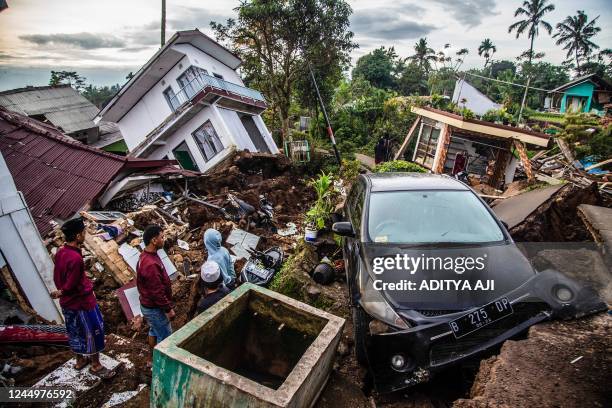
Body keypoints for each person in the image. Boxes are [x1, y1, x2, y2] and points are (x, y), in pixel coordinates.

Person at [51, 218, 114, 379]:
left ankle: (80, 361)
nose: (85, 235)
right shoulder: (76, 258)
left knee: (74, 332)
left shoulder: (61, 253)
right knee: (93, 331)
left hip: (68, 304)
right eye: (84, 233)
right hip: (82, 303)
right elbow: (72, 284)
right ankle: (95, 365)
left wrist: (61, 291)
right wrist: (67, 290)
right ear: (78, 236)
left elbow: (58, 277)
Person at [137, 225, 174, 354]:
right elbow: (156, 292)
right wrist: (168, 309)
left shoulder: (146, 256)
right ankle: (160, 365)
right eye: (162, 237)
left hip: (148, 306)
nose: (164, 239)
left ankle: (151, 357)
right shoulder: (150, 264)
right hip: (154, 308)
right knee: (166, 338)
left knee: (154, 330)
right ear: (154, 240)